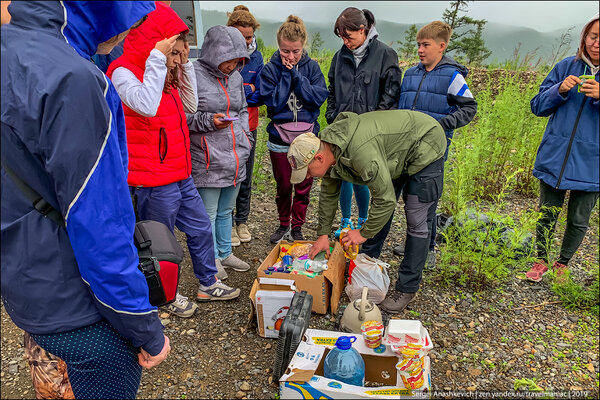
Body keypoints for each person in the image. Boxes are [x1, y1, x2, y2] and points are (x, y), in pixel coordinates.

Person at [1, 2, 169, 399]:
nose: (128, 31)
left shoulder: (10, 50)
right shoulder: (74, 79)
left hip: (26, 286)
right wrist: (145, 327)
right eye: (130, 17)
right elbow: (100, 224)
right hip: (80, 309)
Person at [106, 2, 240, 310]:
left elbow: (191, 106)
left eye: (180, 51)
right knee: (159, 241)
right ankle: (164, 295)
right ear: (156, 42)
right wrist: (157, 58)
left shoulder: (165, 71)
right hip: (152, 176)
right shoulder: (123, 71)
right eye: (173, 50)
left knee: (199, 229)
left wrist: (184, 64)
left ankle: (208, 283)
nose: (176, 57)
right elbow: (146, 106)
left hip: (179, 172)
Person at [288, 110, 447, 314]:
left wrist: (362, 233)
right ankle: (367, 262)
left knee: (417, 220)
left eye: (308, 171)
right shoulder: (330, 149)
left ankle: (407, 288)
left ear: (319, 158)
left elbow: (386, 201)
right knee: (381, 206)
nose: (308, 177)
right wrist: (323, 235)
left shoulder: (361, 153)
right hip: (395, 152)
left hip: (426, 142)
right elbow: (328, 196)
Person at [390, 20, 477, 267]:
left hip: (432, 152)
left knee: (426, 203)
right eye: (418, 44)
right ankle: (413, 245)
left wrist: (442, 124)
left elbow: (470, 108)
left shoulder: (452, 76)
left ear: (441, 46)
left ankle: (427, 251)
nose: (420, 49)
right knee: (409, 200)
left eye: (425, 44)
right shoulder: (410, 74)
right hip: (405, 151)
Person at [526, 13, 599, 283]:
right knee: (548, 212)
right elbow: (537, 106)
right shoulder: (566, 65)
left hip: (593, 162)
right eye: (593, 36)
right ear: (584, 37)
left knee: (579, 219)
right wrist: (559, 89)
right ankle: (541, 260)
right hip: (556, 157)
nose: (597, 43)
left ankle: (562, 263)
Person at [326, 7, 402, 239]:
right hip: (342, 127)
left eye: (349, 36)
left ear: (363, 30)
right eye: (341, 37)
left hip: (370, 132)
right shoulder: (340, 57)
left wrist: (376, 125)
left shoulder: (385, 54)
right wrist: (332, 114)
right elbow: (332, 89)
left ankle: (364, 219)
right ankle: (346, 219)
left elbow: (391, 94)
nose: (345, 41)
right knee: (340, 172)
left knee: (362, 175)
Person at [187, 25, 253, 276]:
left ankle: (225, 253)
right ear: (215, 53)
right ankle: (211, 258)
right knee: (208, 214)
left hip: (235, 155)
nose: (233, 66)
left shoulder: (235, 77)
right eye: (229, 60)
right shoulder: (192, 74)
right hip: (207, 156)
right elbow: (183, 116)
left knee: (227, 210)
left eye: (238, 60)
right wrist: (208, 121)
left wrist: (245, 135)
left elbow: (243, 109)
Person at [259, 15, 329, 243]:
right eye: (285, 51)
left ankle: (297, 226)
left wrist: (296, 75)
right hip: (280, 138)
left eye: (295, 51)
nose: (290, 56)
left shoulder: (312, 68)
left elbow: (316, 98)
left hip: (307, 137)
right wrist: (287, 75)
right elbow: (273, 103)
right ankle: (283, 224)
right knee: (284, 185)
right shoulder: (270, 69)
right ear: (279, 47)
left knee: (303, 186)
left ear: (303, 47)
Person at [226, 5, 264, 246]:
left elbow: (261, 94)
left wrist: (242, 91)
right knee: (228, 176)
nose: (246, 41)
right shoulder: (221, 54)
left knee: (246, 177)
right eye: (241, 37)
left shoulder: (257, 56)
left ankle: (242, 221)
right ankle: (226, 223)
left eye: (249, 37)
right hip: (226, 126)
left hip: (249, 125)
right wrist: (246, 90)